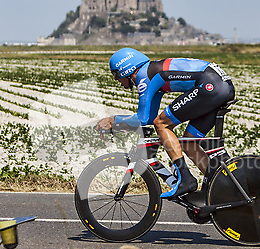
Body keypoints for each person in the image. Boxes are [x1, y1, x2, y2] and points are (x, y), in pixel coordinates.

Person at [96, 47, 235, 199]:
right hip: (219, 85)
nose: (117, 81)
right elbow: (147, 118)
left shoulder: (144, 75)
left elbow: (143, 119)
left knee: (161, 124)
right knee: (188, 142)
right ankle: (220, 187)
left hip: (210, 86)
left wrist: (113, 121)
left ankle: (185, 179)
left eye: (116, 75)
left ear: (125, 70)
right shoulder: (151, 72)